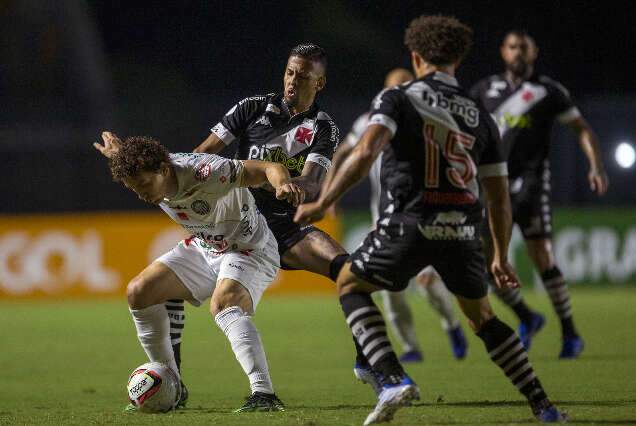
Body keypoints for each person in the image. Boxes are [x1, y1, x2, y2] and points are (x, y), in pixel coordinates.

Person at [296, 16, 565, 424]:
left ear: (416, 57)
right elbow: (497, 196)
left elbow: (367, 150)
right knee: (483, 318)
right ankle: (544, 406)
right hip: (462, 229)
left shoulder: (399, 97)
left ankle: (392, 377)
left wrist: (323, 201)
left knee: (350, 282)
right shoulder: (480, 113)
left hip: (409, 220)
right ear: (458, 59)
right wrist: (499, 256)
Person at [166, 43, 354, 403]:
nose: (292, 81)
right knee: (165, 291)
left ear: (320, 83)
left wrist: (292, 187)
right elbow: (203, 153)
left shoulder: (322, 126)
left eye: (303, 76)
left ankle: (369, 358)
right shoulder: (251, 108)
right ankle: (176, 383)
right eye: (289, 72)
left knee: (348, 271)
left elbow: (314, 182)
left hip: (284, 227)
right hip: (239, 225)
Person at [94, 131, 303, 412]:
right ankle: (173, 387)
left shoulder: (206, 171)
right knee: (139, 292)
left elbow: (268, 168)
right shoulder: (149, 170)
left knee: (224, 305)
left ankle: (264, 394)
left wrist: (283, 185)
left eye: (143, 185)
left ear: (164, 169)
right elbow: (139, 168)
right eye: (134, 189)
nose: (142, 194)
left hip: (249, 247)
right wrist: (118, 155)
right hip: (206, 248)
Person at [469, 30, 609, 358]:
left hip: (532, 185)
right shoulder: (483, 90)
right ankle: (527, 317)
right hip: (492, 185)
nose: (518, 53)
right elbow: (464, 131)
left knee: (542, 258)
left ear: (534, 53)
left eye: (524, 48)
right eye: (513, 47)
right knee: (485, 266)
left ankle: (570, 332)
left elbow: (582, 129)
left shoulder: (547, 91)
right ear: (503, 52)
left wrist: (596, 165)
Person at [332, 68, 467, 363]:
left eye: (403, 85)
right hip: (385, 219)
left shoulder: (424, 118)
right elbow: (345, 152)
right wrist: (330, 191)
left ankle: (452, 324)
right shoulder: (369, 121)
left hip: (423, 215)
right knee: (388, 291)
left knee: (429, 282)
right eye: (393, 87)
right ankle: (410, 347)